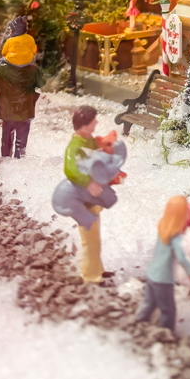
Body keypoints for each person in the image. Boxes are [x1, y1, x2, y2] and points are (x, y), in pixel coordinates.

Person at [52, 105, 125, 283]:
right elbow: (70, 170)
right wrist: (88, 182)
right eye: (93, 121)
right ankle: (91, 276)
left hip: (92, 198)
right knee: (90, 239)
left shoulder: (89, 140)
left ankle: (97, 269)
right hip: (81, 199)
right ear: (84, 126)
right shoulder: (75, 146)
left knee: (94, 237)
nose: (96, 123)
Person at [136, 196, 190, 332]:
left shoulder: (163, 228)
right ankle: (165, 332)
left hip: (152, 273)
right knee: (168, 309)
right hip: (163, 278)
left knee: (149, 303)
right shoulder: (176, 238)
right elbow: (182, 259)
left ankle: (139, 322)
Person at [0, 16, 42, 159]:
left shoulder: (1, 68)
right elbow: (40, 83)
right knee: (23, 131)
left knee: (7, 131)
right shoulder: (34, 69)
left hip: (7, 107)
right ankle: (20, 155)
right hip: (25, 108)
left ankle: (5, 156)